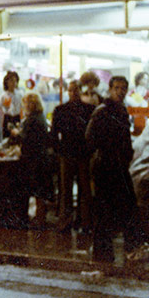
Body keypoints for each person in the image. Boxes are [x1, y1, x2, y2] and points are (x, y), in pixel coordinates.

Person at [85, 76, 136, 263]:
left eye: (123, 88)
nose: (120, 91)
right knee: (106, 209)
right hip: (105, 166)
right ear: (110, 89)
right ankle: (103, 252)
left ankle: (111, 251)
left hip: (118, 165)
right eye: (117, 88)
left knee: (124, 206)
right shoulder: (102, 111)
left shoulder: (122, 110)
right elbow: (90, 138)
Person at [51, 80, 95, 234]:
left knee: (69, 190)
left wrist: (58, 150)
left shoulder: (61, 110)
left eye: (75, 90)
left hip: (72, 153)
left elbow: (54, 134)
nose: (72, 93)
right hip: (77, 153)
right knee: (80, 190)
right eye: (70, 90)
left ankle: (70, 222)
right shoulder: (88, 110)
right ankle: (84, 222)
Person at [19, 93, 54, 228]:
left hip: (35, 159)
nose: (26, 106)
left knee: (38, 190)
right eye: (25, 103)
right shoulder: (39, 117)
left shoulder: (33, 119)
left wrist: (17, 134)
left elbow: (27, 138)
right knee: (40, 190)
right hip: (39, 157)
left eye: (29, 103)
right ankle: (40, 217)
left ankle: (40, 219)